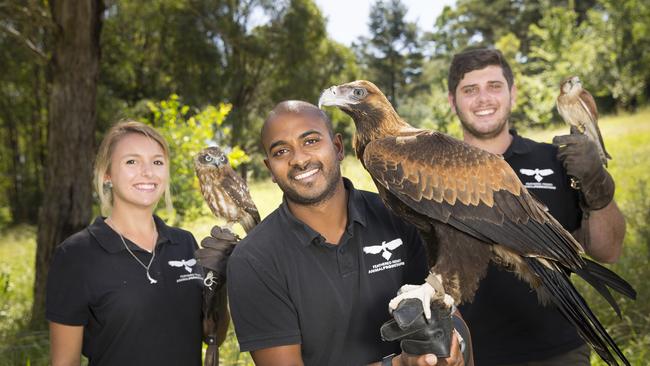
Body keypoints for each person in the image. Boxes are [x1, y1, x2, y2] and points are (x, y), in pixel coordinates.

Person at [226, 101, 468, 366]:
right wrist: (398, 364)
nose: (299, 159)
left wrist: (453, 345)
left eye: (311, 141)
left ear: (338, 147)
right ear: (270, 168)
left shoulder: (400, 217)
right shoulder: (253, 260)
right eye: (281, 151)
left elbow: (450, 313)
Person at [447, 48, 626, 365]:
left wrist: (597, 187)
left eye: (494, 86)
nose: (483, 99)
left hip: (559, 351)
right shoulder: (437, 176)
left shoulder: (556, 159)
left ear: (512, 94)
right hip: (472, 355)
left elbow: (608, 251)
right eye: (470, 90)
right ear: (452, 101)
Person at [46, 121, 204, 366]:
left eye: (157, 162)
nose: (148, 172)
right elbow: (64, 362)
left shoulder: (184, 243)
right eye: (132, 161)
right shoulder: (76, 255)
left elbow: (211, 333)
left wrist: (220, 283)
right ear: (107, 174)